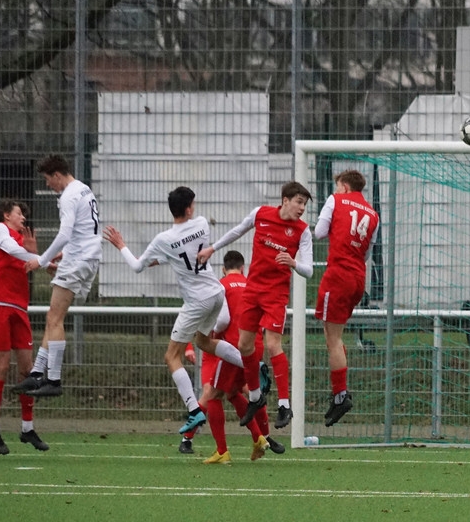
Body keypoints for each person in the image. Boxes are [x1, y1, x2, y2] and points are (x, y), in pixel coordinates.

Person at [102, 186, 246, 438]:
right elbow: (183, 253)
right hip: (216, 294)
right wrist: (163, 258)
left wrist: (121, 245)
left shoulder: (164, 239)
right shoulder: (202, 224)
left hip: (196, 301)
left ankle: (193, 410)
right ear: (188, 209)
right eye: (193, 204)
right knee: (203, 342)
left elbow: (137, 266)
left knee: (171, 356)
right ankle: (253, 364)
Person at [196, 182, 314, 429]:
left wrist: (293, 263)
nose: (302, 208)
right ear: (285, 200)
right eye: (299, 202)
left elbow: (309, 271)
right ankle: (255, 396)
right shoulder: (261, 214)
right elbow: (237, 231)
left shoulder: (302, 231)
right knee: (244, 345)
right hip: (252, 291)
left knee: (272, 344)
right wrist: (213, 248)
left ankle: (284, 405)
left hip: (276, 295)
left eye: (304, 204)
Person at [181, 250, 285, 462]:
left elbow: (222, 321)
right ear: (243, 268)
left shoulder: (221, 286)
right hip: (255, 346)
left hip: (233, 348)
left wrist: (211, 335)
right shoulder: (253, 285)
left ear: (223, 269)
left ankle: (222, 451)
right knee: (235, 392)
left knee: (213, 395)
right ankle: (260, 438)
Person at [13, 155, 102, 398]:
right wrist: (65, 253)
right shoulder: (83, 189)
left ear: (57, 175)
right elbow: (83, 231)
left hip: (79, 260)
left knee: (54, 318)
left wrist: (41, 260)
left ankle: (53, 380)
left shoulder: (69, 196)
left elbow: (64, 234)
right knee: (53, 317)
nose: (47, 184)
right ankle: (37, 374)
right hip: (87, 257)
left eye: (47, 179)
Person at [0, 199, 49, 454]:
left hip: (20, 308)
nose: (23, 218)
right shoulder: (1, 230)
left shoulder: (24, 243)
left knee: (27, 369)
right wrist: (39, 256)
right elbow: (15, 251)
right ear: (6, 214)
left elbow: (34, 263)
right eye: (19, 213)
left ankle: (27, 428)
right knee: (1, 364)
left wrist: (45, 257)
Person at [315, 169, 379, 427]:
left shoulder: (335, 200)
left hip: (338, 275)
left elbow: (319, 232)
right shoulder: (373, 214)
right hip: (358, 279)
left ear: (343, 186)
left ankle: (340, 395)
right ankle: (339, 391)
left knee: (333, 339)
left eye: (337, 186)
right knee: (335, 335)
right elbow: (367, 252)